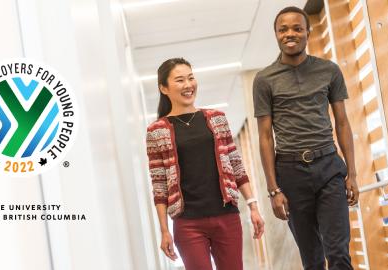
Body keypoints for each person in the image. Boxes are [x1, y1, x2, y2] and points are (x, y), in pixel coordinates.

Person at [253, 6, 360, 270]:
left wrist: (353, 174)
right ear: (276, 34)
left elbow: (342, 122)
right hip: (290, 174)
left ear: (308, 32)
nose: (290, 34)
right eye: (283, 29)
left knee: (338, 252)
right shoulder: (264, 79)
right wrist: (273, 190)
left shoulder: (329, 70)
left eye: (297, 28)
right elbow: (265, 137)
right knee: (312, 260)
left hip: (328, 168)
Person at [146, 57, 265, 270]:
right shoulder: (157, 131)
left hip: (226, 216)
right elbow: (159, 185)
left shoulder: (217, 118)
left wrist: (253, 206)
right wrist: (165, 230)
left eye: (191, 78)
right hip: (187, 223)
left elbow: (236, 166)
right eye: (180, 80)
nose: (188, 85)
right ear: (164, 88)